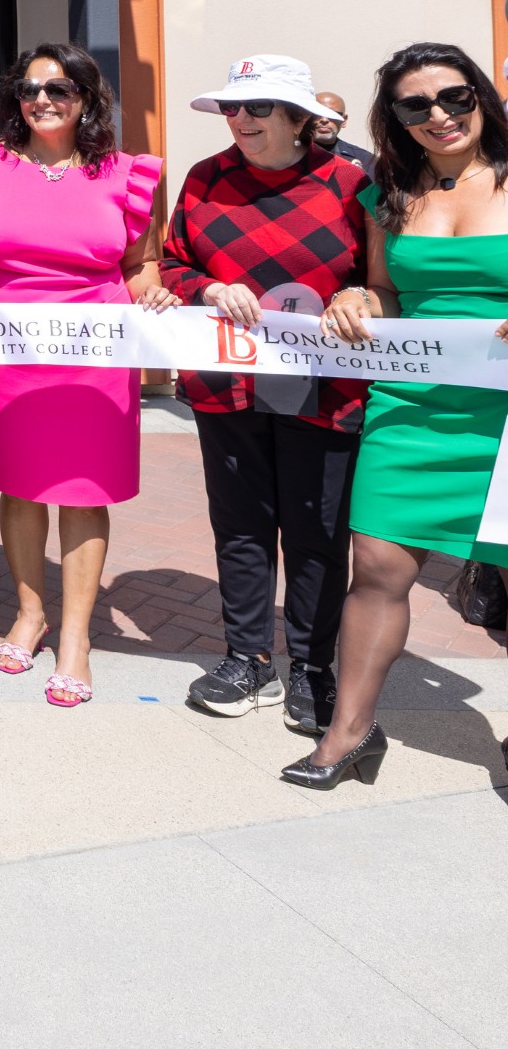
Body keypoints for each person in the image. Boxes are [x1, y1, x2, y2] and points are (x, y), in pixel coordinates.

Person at [296, 42, 508, 789]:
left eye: (453, 96)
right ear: (395, 119)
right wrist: (358, 296)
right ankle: (348, 734)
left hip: (506, 416)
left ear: (479, 94)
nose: (439, 116)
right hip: (412, 403)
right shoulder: (390, 188)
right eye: (416, 105)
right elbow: (386, 289)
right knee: (379, 564)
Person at [160, 54, 370, 733]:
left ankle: (312, 669)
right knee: (242, 526)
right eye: (232, 108)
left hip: (325, 388)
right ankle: (247, 658)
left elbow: (383, 276)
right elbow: (171, 262)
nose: (239, 120)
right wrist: (207, 287)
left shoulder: (351, 184)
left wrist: (361, 294)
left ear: (299, 117)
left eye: (256, 108)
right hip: (227, 386)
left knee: (316, 532)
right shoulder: (203, 179)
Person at [0, 43, 165, 709]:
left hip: (94, 356)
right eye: (29, 88)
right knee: (19, 487)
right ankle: (28, 611)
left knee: (81, 491)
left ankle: (75, 637)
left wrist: (153, 289)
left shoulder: (124, 174)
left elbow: (142, 263)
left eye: (59, 88)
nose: (43, 99)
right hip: (10, 351)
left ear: (86, 97)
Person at [312, 89, 375, 174]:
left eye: (332, 114)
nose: (324, 120)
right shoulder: (291, 155)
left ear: (344, 120)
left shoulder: (365, 159)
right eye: (317, 113)